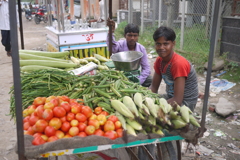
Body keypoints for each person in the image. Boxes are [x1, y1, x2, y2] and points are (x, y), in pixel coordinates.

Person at [150, 26, 199, 111]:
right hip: (171, 97)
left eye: (165, 44)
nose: (161, 47)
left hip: (185, 102)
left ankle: (186, 123)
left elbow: (177, 101)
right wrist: (144, 97)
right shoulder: (159, 61)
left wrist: (156, 107)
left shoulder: (178, 63)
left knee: (156, 115)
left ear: (173, 44)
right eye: (158, 44)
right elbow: (153, 87)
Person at [106, 18, 152, 87]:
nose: (132, 38)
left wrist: (139, 81)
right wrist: (111, 32)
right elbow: (112, 47)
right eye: (130, 35)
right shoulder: (120, 45)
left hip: (135, 74)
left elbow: (146, 68)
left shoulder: (141, 49)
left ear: (138, 36)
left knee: (150, 79)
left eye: (135, 35)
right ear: (125, 36)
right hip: (121, 75)